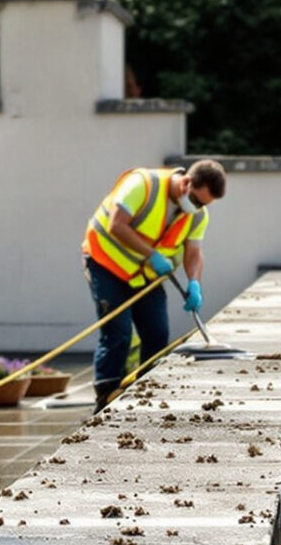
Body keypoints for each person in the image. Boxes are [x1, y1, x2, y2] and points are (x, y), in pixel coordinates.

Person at [81, 159, 225, 412]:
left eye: (204, 204)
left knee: (157, 333)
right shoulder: (142, 185)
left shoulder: (197, 215)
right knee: (118, 333)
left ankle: (144, 396)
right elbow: (116, 224)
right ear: (186, 183)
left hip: (144, 276)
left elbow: (193, 252)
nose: (198, 207)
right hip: (105, 264)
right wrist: (152, 255)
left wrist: (194, 283)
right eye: (197, 200)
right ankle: (105, 400)